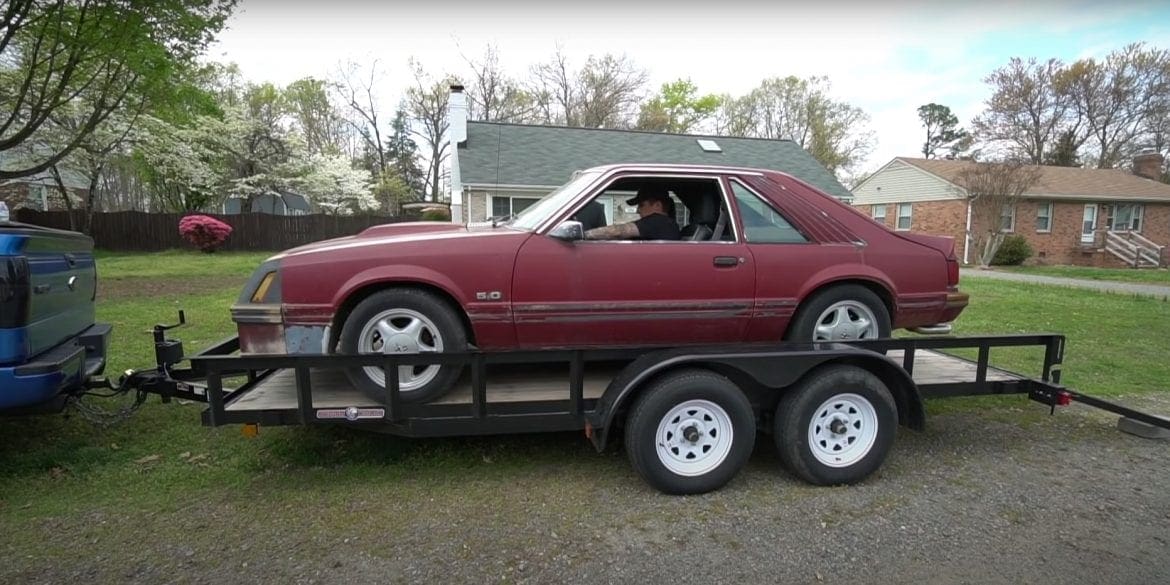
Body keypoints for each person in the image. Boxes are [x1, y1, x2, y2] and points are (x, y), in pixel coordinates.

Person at [583, 187, 680, 240]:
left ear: (658, 205)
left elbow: (618, 232)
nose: (638, 210)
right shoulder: (667, 226)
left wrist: (583, 235)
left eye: (641, 205)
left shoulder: (659, 222)